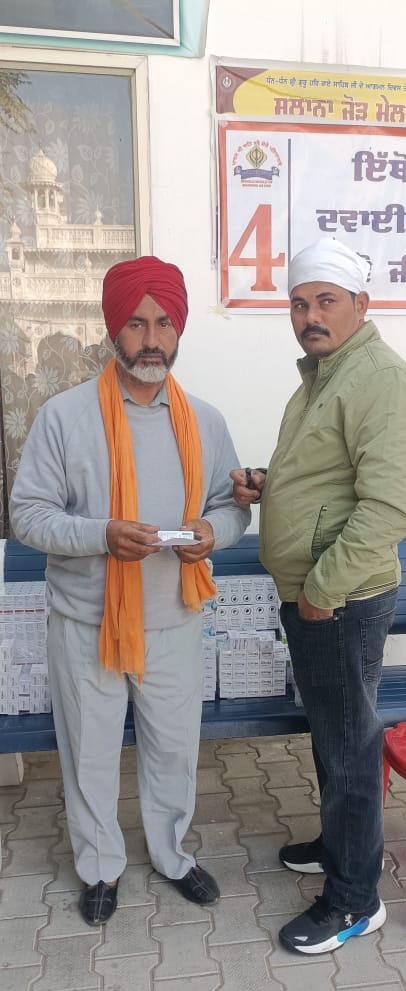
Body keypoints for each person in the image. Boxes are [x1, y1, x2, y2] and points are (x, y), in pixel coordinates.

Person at [10, 255, 250, 926]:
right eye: (137, 323)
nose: (151, 339)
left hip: (174, 618)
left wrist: (214, 531)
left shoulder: (204, 420)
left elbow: (231, 508)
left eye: (164, 323)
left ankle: (172, 856)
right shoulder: (64, 416)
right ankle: (99, 867)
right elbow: (28, 515)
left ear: (180, 330)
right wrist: (101, 536)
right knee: (89, 752)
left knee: (174, 750)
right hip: (87, 622)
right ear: (114, 329)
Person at [232, 235, 406, 955]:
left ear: (361, 305)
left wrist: (320, 590)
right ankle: (339, 844)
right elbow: (328, 476)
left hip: (339, 598)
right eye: (298, 303)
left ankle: (354, 900)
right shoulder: (325, 375)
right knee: (334, 733)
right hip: (320, 596)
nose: (309, 316)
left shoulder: (381, 381)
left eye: (326, 301)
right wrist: (270, 482)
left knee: (349, 746)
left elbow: (387, 510)